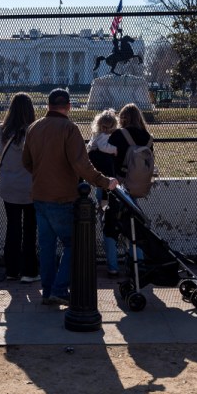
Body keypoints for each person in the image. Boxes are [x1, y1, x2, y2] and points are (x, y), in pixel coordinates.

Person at [22, 88, 118, 306]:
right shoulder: (69, 128)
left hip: (39, 195)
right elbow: (81, 165)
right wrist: (105, 182)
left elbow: (26, 162)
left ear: (48, 105)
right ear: (68, 106)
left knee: (46, 247)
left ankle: (47, 291)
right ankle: (58, 288)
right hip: (63, 196)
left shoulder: (34, 128)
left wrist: (42, 174)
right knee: (74, 244)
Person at [0, 92, 39, 283]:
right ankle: (29, 271)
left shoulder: (1, 131)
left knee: (12, 227)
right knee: (30, 229)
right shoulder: (34, 132)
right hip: (30, 185)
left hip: (9, 184)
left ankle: (11, 270)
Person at [107, 103, 155, 263]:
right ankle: (137, 261)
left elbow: (110, 158)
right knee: (136, 224)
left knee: (110, 224)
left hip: (118, 185)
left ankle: (112, 264)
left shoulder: (119, 135)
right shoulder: (148, 138)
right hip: (138, 185)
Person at [86, 109, 120, 277]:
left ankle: (110, 263)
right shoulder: (105, 139)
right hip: (109, 186)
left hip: (100, 186)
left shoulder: (95, 137)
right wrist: (115, 150)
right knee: (112, 224)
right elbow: (106, 148)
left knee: (104, 220)